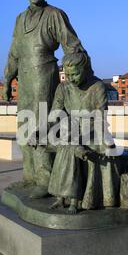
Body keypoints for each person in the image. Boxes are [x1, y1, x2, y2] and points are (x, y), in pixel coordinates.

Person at [4, 0, 85, 199]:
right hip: (25, 79)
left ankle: (45, 179)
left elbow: (72, 45)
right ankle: (30, 177)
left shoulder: (54, 15)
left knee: (40, 126)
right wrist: (8, 78)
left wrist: (79, 72)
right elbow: (14, 51)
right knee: (23, 127)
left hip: (44, 75)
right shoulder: (19, 19)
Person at [47, 52, 120, 214]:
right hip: (71, 130)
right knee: (66, 147)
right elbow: (54, 114)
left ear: (85, 69)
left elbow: (101, 117)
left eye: (75, 74)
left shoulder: (97, 86)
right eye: (68, 75)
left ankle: (84, 198)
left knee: (89, 148)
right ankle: (62, 196)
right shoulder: (63, 88)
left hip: (93, 130)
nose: (71, 78)